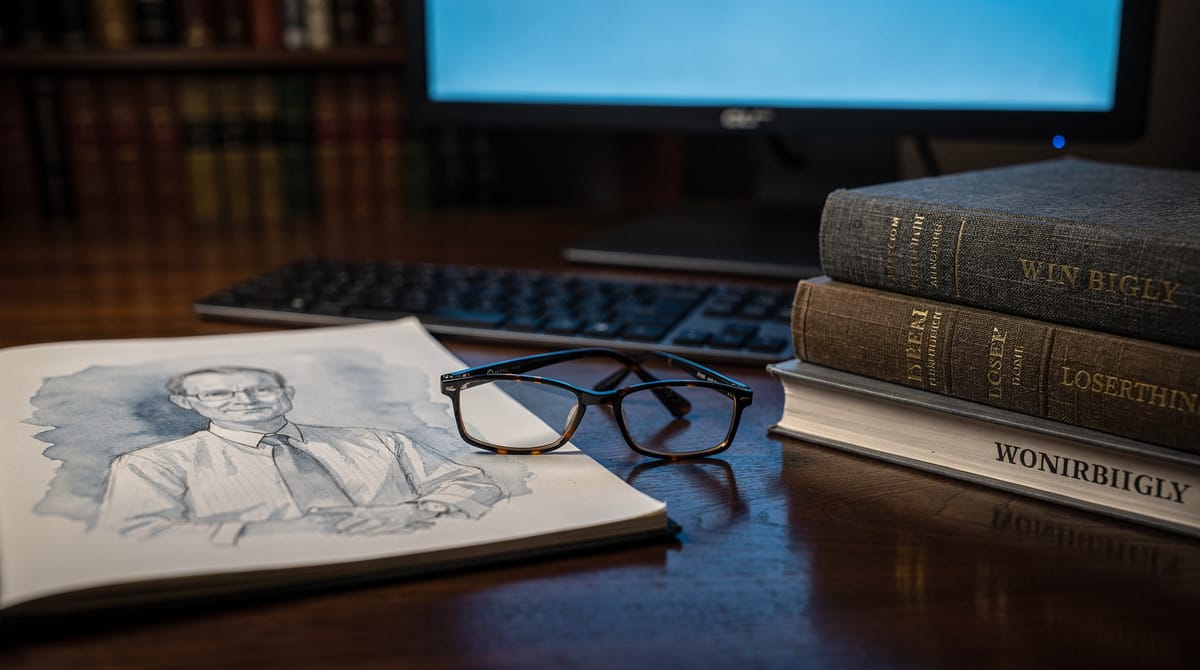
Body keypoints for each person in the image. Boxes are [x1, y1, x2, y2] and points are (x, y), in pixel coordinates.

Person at [97, 366, 503, 545]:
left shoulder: (378, 441)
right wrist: (281, 534)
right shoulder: (150, 464)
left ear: (287, 395)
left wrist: (421, 509)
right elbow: (136, 534)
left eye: (261, 389)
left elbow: (468, 483)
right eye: (218, 393)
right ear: (185, 403)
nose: (245, 401)